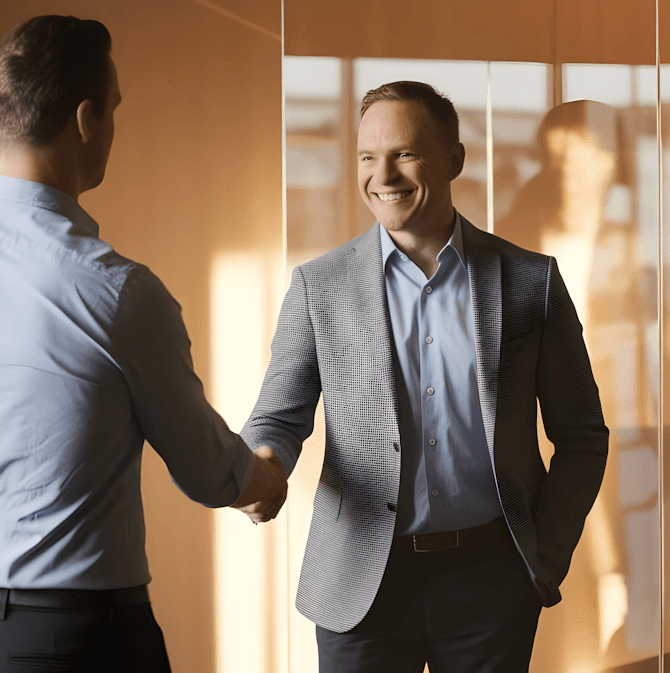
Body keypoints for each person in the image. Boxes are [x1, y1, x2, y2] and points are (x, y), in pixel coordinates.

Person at [0, 15, 286, 672]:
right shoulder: (118, 291)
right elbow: (208, 470)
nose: (113, 125)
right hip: (83, 642)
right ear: (86, 118)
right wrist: (264, 479)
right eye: (113, 108)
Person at [242, 80, 610, 672]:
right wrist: (262, 464)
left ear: (455, 160)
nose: (382, 175)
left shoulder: (530, 281)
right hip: (358, 587)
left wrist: (545, 554)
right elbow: (278, 416)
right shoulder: (320, 287)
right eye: (368, 157)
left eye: (404, 154)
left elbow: (583, 437)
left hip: (492, 583)